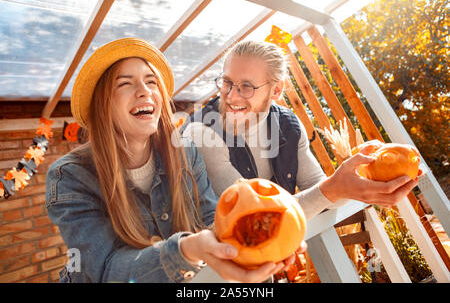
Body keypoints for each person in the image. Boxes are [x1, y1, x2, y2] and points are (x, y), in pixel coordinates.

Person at [45, 38, 301, 283]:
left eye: (151, 81)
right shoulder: (70, 176)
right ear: (102, 105)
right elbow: (103, 271)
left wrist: (262, 236)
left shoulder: (185, 151)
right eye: (125, 84)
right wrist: (187, 250)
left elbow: (212, 217)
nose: (144, 91)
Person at [181, 40, 419, 220]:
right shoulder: (201, 133)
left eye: (246, 86)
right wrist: (334, 188)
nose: (231, 95)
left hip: (258, 260)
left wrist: (361, 176)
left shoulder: (288, 126)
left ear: (275, 91)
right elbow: (255, 215)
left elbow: (320, 190)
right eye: (227, 82)